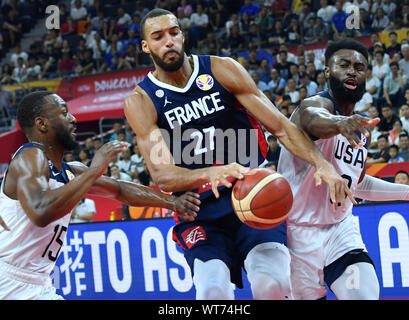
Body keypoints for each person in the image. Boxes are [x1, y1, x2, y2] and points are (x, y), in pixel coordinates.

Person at [124, 9, 353, 300]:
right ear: (146, 46)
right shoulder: (141, 101)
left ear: (182, 34)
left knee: (271, 284)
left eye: (173, 32)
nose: (168, 41)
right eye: (157, 37)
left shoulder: (221, 70)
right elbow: (163, 176)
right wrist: (210, 172)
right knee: (212, 292)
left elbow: (281, 127)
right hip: (200, 212)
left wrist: (322, 164)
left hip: (255, 193)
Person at [0, 91, 200, 300]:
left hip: (38, 281)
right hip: (7, 281)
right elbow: (40, 212)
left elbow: (119, 190)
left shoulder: (71, 171)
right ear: (42, 124)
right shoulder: (29, 157)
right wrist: (95, 169)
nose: (73, 119)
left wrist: (172, 202)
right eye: (64, 113)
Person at [278, 38, 409, 300]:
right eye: (344, 65)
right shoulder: (310, 108)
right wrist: (340, 122)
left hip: (340, 230)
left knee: (363, 295)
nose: (352, 71)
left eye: (359, 67)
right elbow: (315, 118)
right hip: (297, 234)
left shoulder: (360, 130)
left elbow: (358, 186)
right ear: (327, 71)